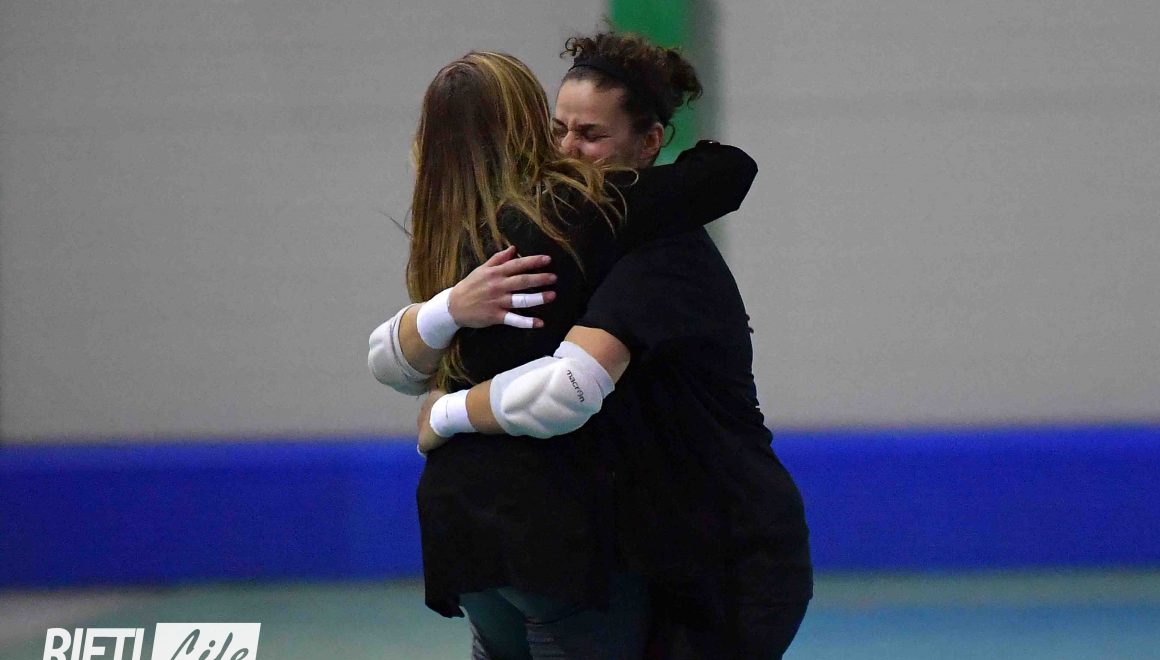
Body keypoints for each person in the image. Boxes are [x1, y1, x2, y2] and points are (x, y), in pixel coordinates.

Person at [374, 33, 812, 659]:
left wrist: (447, 412)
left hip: (726, 549)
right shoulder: (540, 232)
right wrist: (449, 308)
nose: (567, 149)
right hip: (646, 539)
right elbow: (391, 360)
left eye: (591, 134)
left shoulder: (654, 247)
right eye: (557, 130)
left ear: (650, 141)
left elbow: (570, 387)